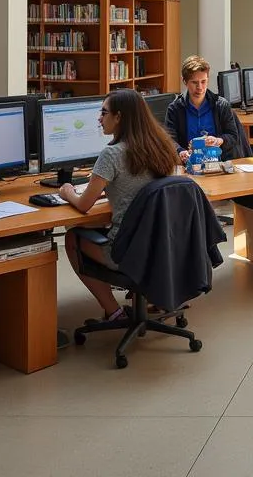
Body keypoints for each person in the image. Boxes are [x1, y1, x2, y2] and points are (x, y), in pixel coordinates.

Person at [61, 89, 180, 321]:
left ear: (119, 117)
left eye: (104, 112)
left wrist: (68, 193)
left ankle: (113, 311)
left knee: (72, 237)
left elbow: (85, 204)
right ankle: (151, 296)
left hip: (127, 251)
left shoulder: (111, 154)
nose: (99, 118)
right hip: (162, 246)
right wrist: (106, 183)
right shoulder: (163, 147)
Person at [165, 55, 249, 162]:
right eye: (194, 82)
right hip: (189, 165)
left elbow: (233, 136)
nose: (199, 87)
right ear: (185, 81)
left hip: (219, 163)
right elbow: (169, 140)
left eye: (203, 81)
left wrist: (218, 140)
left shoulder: (221, 105)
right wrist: (180, 151)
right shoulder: (175, 109)